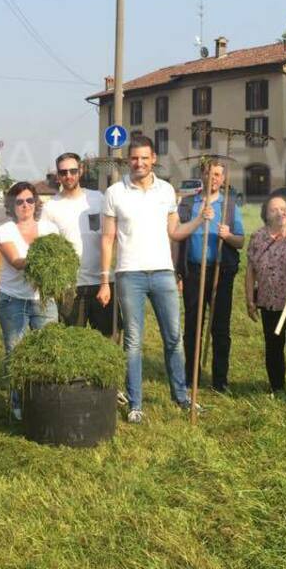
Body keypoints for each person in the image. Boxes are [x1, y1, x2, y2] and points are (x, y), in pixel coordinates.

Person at [97, 135, 209, 423]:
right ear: (128, 160)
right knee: (133, 341)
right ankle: (135, 403)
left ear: (154, 159)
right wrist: (104, 280)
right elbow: (107, 238)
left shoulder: (167, 191)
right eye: (135, 158)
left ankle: (181, 396)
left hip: (163, 273)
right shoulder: (115, 192)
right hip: (129, 274)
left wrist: (199, 220)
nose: (139, 163)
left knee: (173, 338)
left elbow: (174, 232)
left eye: (145, 158)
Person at [175, 162, 244, 393]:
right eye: (208, 173)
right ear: (202, 175)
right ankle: (190, 376)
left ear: (223, 178)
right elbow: (178, 236)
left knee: (220, 328)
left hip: (220, 273)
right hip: (194, 271)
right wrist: (178, 272)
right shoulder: (188, 203)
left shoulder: (230, 205)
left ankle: (220, 380)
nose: (213, 178)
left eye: (217, 174)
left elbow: (241, 242)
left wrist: (229, 235)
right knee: (193, 326)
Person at [0, 181, 60, 420]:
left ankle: (45, 401)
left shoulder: (50, 229)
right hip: (13, 300)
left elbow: (59, 259)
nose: (25, 205)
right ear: (11, 205)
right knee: (16, 352)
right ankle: (17, 405)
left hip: (43, 299)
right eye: (19, 201)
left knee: (48, 350)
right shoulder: (5, 230)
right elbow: (15, 261)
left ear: (36, 203)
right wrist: (43, 258)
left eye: (29, 200)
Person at [245, 195, 286, 405]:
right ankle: (277, 387)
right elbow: (250, 270)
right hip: (269, 301)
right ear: (265, 215)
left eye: (284, 208)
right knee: (273, 346)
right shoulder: (258, 237)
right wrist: (250, 299)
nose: (280, 212)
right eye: (274, 209)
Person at [43, 153, 117, 337]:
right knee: (72, 343)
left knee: (107, 340)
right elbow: (49, 251)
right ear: (58, 175)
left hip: (102, 282)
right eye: (63, 172)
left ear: (81, 171)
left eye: (73, 171)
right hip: (70, 287)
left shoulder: (98, 198)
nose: (68, 176)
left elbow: (112, 235)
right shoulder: (50, 207)